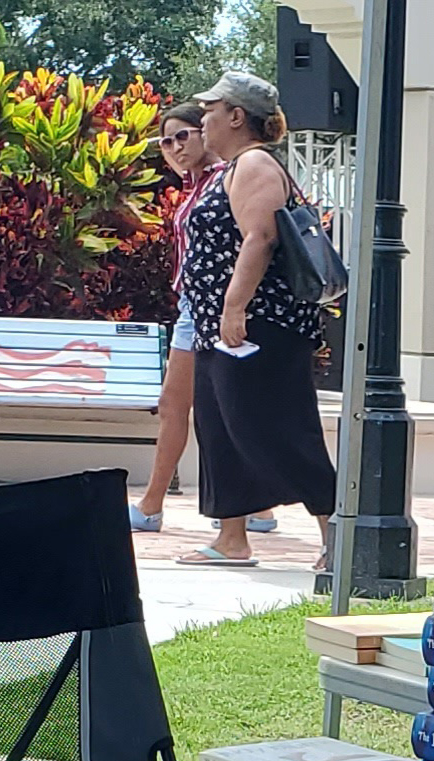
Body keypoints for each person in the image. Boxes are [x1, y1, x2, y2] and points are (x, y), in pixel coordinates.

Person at [177, 70, 337, 571]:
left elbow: (259, 237)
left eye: (210, 110)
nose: (203, 119)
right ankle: (231, 538)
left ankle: (338, 531)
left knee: (275, 427)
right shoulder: (228, 169)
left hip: (257, 325)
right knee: (221, 426)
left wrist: (234, 306)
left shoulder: (254, 165)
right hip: (220, 327)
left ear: (236, 117)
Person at [130, 105, 277, 540]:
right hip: (197, 306)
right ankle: (255, 509)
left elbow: (255, 238)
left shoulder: (228, 178)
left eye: (183, 136)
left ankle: (156, 504)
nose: (174, 148)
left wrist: (234, 304)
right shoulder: (198, 185)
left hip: (217, 308)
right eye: (166, 141)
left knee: (204, 408)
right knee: (198, 407)